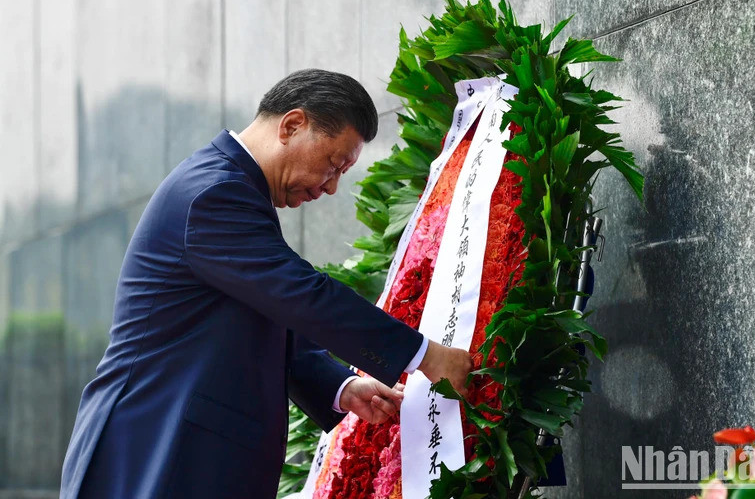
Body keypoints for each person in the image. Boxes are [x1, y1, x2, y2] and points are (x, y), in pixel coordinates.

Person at [60, 69, 474, 499]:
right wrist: (423, 355)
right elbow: (303, 296)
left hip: (180, 456)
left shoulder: (234, 189)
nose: (331, 187)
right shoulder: (214, 194)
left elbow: (270, 320)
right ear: (292, 125)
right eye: (333, 164)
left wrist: (342, 387)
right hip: (154, 455)